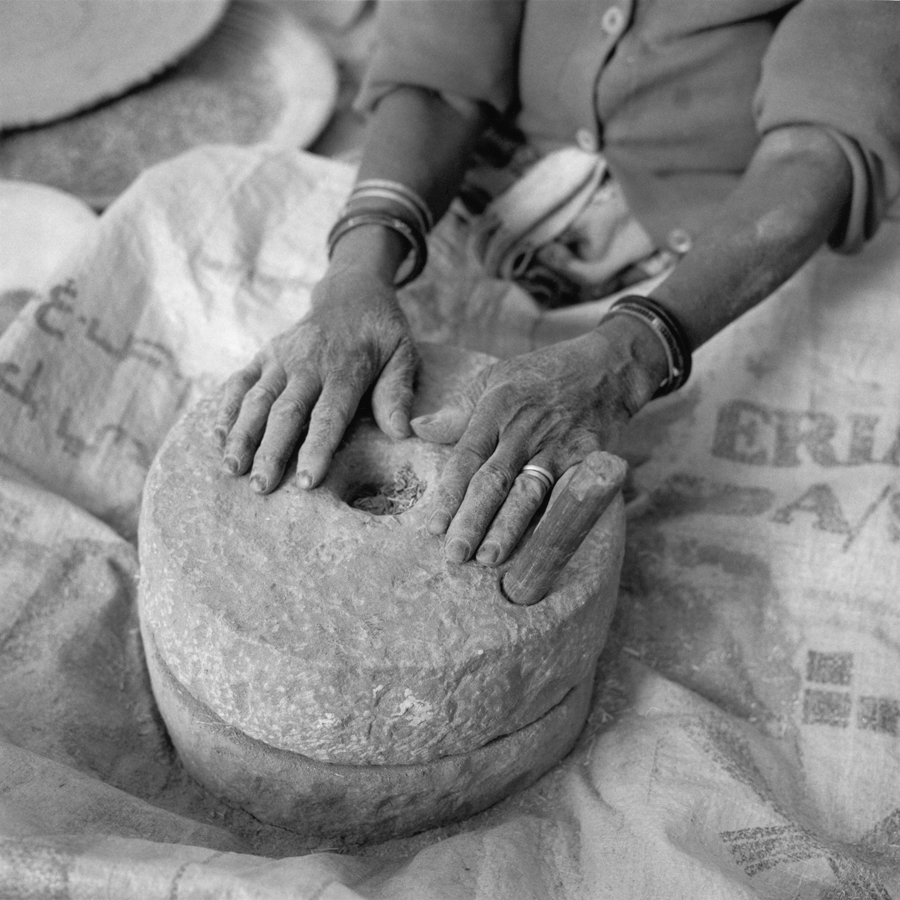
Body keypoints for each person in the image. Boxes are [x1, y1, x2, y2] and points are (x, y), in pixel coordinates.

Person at [214, 0, 900, 568]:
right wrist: (355, 274)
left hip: (706, 263)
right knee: (191, 215)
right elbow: (436, 73)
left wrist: (631, 358)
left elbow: (813, 151)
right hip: (484, 192)